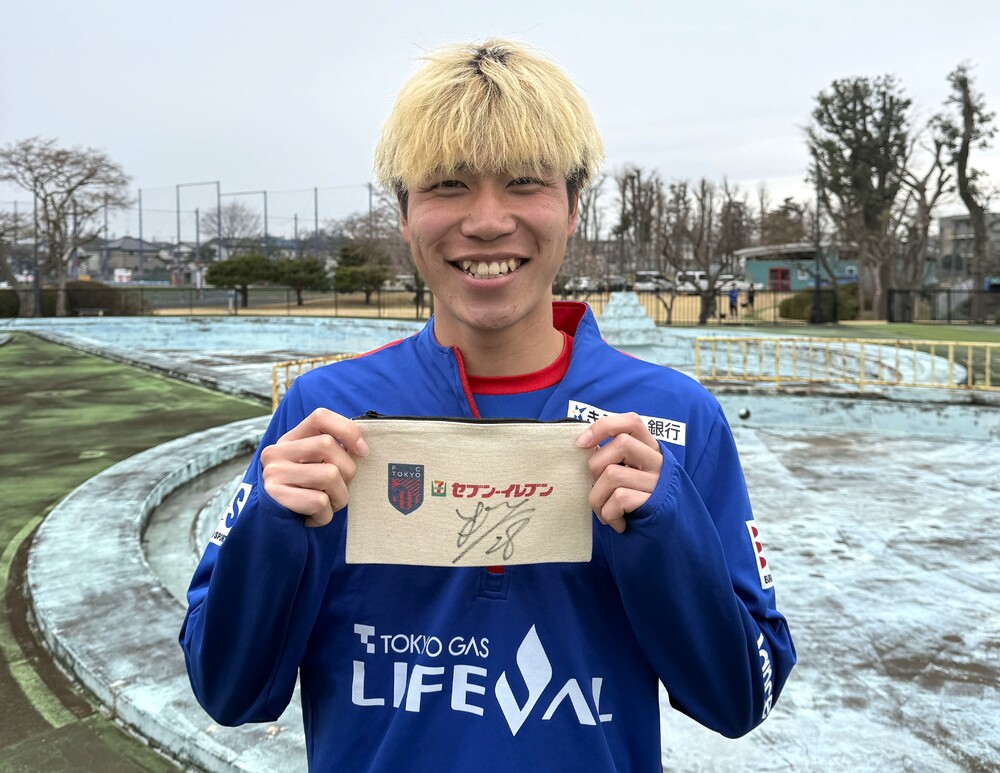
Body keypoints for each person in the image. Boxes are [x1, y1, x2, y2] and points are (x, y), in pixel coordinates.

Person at [180, 39, 795, 772]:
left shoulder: (675, 418)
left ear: (574, 207)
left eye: (525, 182)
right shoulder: (326, 413)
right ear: (404, 214)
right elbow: (227, 690)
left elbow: (742, 696)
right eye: (448, 185)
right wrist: (270, 532)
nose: (487, 220)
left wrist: (668, 527)